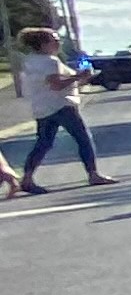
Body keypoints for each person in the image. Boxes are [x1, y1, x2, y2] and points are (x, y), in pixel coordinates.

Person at [13, 27, 112, 193]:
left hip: (42, 107)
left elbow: (49, 84)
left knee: (44, 143)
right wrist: (79, 76)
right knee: (83, 138)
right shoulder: (50, 62)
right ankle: (93, 174)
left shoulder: (30, 61)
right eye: (54, 40)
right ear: (43, 44)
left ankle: (27, 178)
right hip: (61, 105)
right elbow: (56, 85)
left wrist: (78, 80)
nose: (58, 43)